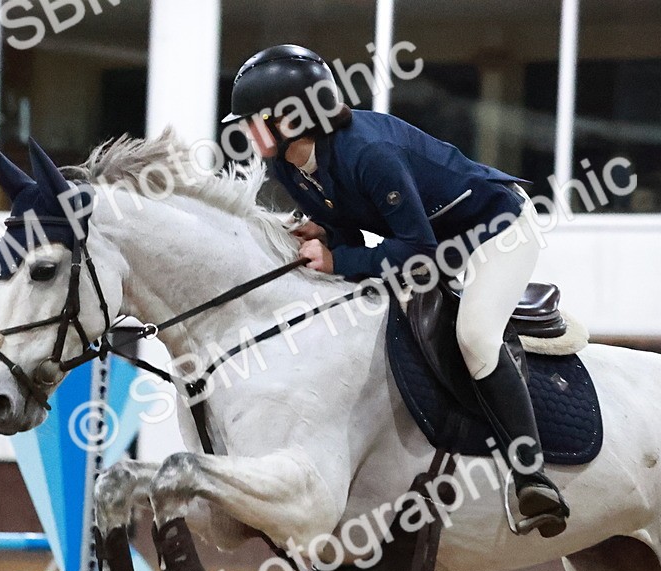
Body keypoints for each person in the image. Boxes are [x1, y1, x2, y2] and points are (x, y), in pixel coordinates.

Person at [222, 44, 569, 537]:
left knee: (474, 335)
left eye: (252, 120)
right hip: (433, 234)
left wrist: (338, 259)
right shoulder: (286, 166)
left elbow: (417, 253)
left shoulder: (369, 152)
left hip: (498, 227)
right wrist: (327, 237)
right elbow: (345, 226)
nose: (244, 132)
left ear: (291, 120)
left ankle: (531, 475)